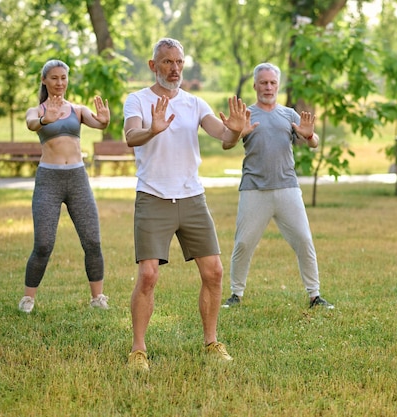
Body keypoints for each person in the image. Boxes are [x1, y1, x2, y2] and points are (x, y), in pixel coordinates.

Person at [123, 38, 247, 370]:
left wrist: (235, 131)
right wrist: (153, 129)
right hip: (153, 196)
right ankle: (138, 350)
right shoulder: (137, 100)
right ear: (153, 65)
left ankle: (211, 342)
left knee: (215, 272)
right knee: (148, 275)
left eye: (178, 62)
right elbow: (130, 136)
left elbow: (223, 138)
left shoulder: (194, 104)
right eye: (166, 62)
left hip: (191, 197)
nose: (174, 68)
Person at [221, 63, 334, 310]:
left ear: (278, 85)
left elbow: (312, 141)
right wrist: (237, 131)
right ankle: (235, 294)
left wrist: (310, 135)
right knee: (243, 244)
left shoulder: (289, 114)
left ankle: (315, 295)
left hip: (287, 189)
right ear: (255, 85)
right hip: (254, 189)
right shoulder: (247, 114)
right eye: (263, 82)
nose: (268, 87)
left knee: (304, 240)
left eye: (272, 83)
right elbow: (226, 143)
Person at [19, 59, 110, 313]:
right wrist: (46, 119)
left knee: (92, 240)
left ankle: (98, 297)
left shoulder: (77, 110)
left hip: (77, 179)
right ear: (44, 81)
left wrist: (103, 121)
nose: (60, 83)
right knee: (44, 244)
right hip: (49, 180)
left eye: (64, 78)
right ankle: (28, 298)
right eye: (55, 78)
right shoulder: (36, 110)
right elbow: (31, 124)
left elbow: (98, 122)